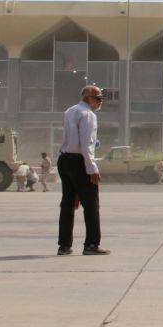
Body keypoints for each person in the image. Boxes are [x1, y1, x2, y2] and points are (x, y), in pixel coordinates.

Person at [57, 85, 109, 256]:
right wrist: (92, 168)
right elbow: (86, 145)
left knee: (68, 204)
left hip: (65, 160)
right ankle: (92, 244)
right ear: (88, 97)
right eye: (98, 98)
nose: (100, 102)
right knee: (91, 204)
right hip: (80, 161)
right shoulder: (88, 115)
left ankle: (64, 246)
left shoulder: (70, 111)